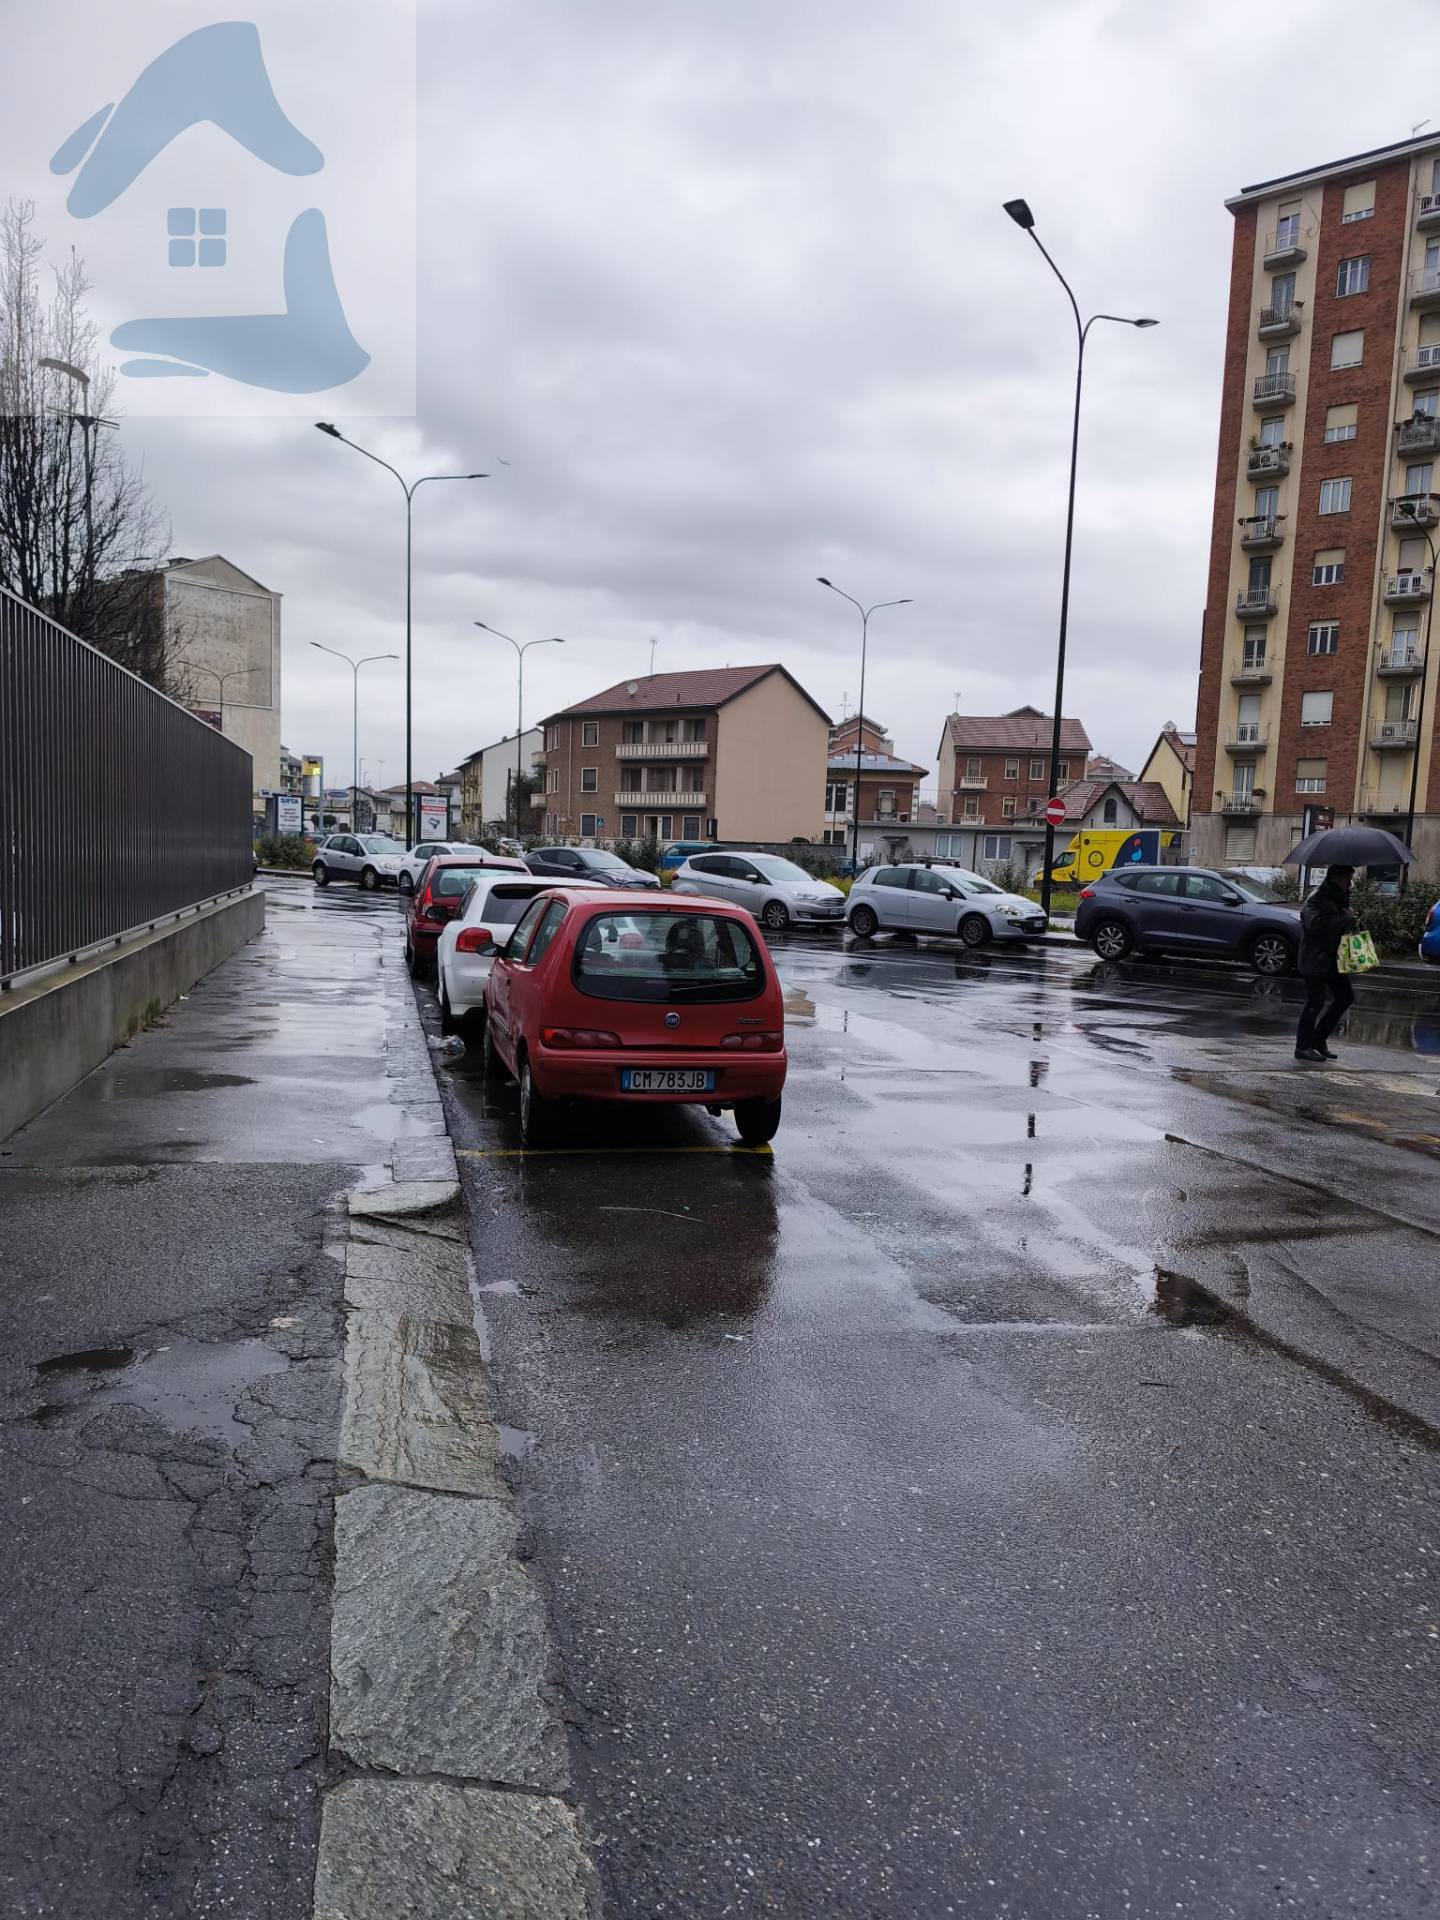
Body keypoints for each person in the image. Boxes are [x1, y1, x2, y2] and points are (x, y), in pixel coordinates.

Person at [1295, 864, 1356, 1062]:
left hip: (1333, 958)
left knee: (1345, 997)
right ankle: (1303, 1047)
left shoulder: (1338, 897)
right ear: (1336, 877)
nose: (1350, 883)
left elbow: (1337, 923)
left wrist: (1349, 917)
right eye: (1348, 879)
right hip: (1316, 958)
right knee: (1315, 1002)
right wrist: (1344, 918)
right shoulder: (1317, 898)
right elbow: (1316, 927)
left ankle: (1318, 1040)